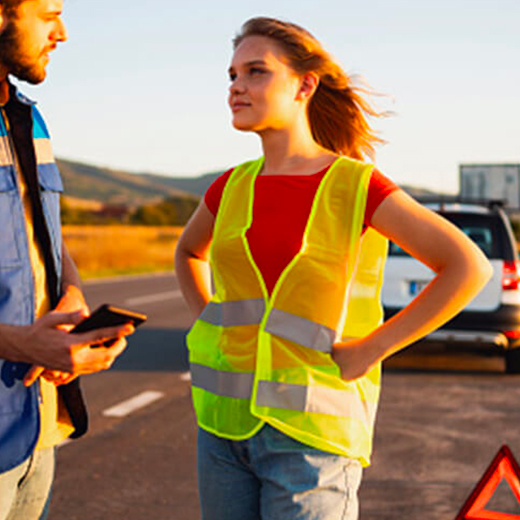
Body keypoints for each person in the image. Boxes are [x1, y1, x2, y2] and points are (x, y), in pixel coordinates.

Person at [175, 16, 492, 520]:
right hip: (222, 434)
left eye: (255, 72)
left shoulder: (356, 186)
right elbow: (188, 252)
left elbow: (466, 266)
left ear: (305, 84)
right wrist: (207, 319)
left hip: (312, 443)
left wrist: (374, 348)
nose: (237, 86)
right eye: (232, 75)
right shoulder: (229, 187)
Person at [0, 1, 135, 519]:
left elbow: (44, 237)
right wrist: (19, 342)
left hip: (38, 432)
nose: (62, 32)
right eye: (49, 13)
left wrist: (72, 295)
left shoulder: (29, 118)